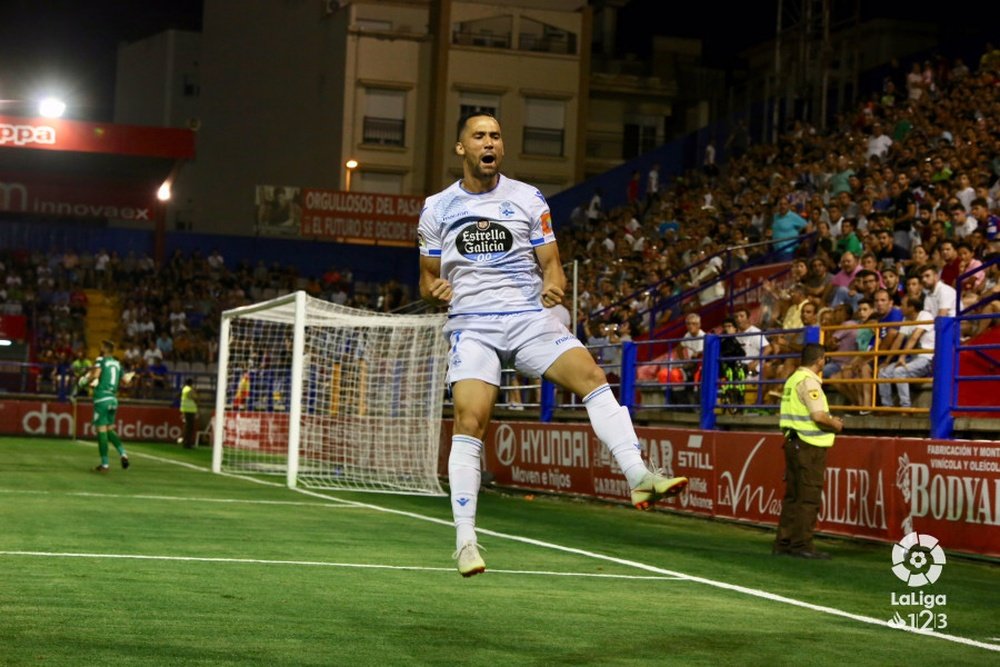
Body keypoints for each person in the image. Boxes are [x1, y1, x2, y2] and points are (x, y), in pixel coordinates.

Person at [418, 112, 688, 577]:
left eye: (496, 136)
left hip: (527, 318)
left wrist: (554, 284)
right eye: (480, 136)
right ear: (461, 148)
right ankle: (465, 540)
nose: (490, 142)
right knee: (470, 418)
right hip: (473, 325)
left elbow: (553, 263)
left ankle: (638, 476)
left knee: (592, 376)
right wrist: (434, 291)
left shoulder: (527, 198)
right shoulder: (437, 208)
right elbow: (426, 279)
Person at [774, 343, 844, 559]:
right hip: (808, 446)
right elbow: (818, 417)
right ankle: (802, 545)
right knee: (808, 496)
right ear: (820, 360)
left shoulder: (792, 379)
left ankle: (784, 543)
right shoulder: (809, 383)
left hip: (793, 442)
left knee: (793, 496)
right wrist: (835, 424)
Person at [81, 340, 131, 472]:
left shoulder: (100, 360)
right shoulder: (117, 363)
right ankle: (123, 453)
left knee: (101, 432)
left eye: (101, 346)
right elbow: (126, 380)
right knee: (109, 430)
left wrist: (84, 381)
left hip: (102, 399)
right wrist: (132, 374)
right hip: (113, 400)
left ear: (104, 349)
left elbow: (96, 375)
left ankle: (105, 464)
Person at [179, 378, 199, 448]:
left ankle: (184, 440)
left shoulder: (184, 389)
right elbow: (193, 397)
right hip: (190, 410)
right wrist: (196, 394)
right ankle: (187, 443)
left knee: (187, 426)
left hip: (186, 409)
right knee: (190, 427)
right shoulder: (189, 389)